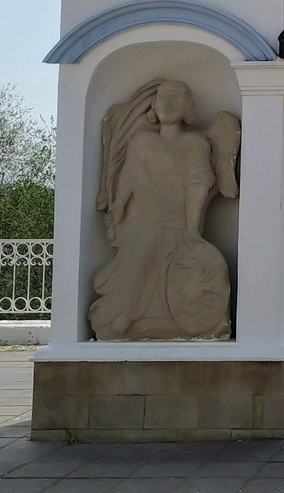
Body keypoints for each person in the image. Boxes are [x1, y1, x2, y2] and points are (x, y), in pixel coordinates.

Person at [89, 80, 239, 341]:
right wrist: (118, 207)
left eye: (175, 99)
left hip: (180, 223)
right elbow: (129, 178)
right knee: (144, 245)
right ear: (154, 107)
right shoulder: (141, 141)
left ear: (187, 108)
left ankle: (130, 314)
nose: (167, 105)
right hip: (142, 219)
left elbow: (198, 185)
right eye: (162, 99)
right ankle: (126, 312)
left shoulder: (195, 143)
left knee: (158, 246)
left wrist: (192, 230)